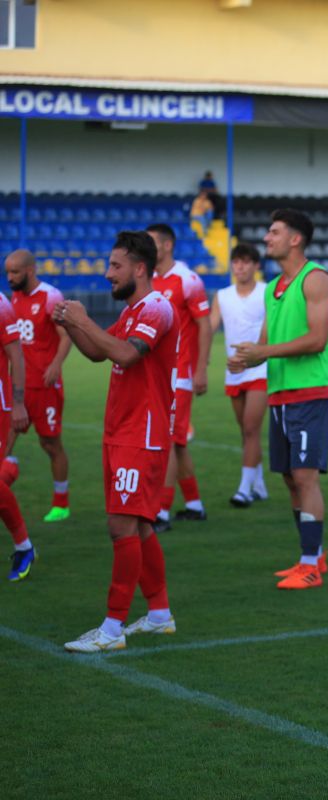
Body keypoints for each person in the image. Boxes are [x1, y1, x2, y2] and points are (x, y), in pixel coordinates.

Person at [57, 231, 179, 652]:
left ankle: (111, 631)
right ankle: (160, 614)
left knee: (121, 525)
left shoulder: (156, 308)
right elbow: (98, 352)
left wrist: (82, 319)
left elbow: (127, 354)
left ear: (140, 268)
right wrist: (72, 324)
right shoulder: (132, 311)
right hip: (122, 430)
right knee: (139, 524)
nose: (108, 274)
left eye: (115, 266)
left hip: (141, 433)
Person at [230, 209, 328, 589]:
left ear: (295, 239)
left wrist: (264, 353)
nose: (267, 238)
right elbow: (265, 342)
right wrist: (245, 356)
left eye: (274, 232)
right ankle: (313, 555)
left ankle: (309, 566)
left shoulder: (316, 280)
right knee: (290, 478)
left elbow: (317, 339)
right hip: (280, 393)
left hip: (309, 391)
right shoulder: (276, 287)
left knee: (306, 477)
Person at [147, 224, 212, 531]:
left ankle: (160, 512)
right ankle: (195, 505)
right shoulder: (148, 279)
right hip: (158, 375)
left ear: (168, 245)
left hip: (180, 375)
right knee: (179, 443)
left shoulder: (187, 280)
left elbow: (204, 325)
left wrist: (200, 369)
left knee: (169, 441)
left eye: (152, 243)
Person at [5, 249, 72, 520]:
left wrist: (56, 364)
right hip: (17, 387)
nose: (9, 277)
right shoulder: (14, 297)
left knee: (51, 445)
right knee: (4, 443)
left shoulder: (50, 296)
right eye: (7, 272)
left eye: (15, 272)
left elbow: (65, 334)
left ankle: (61, 503)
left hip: (45, 387)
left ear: (30, 271)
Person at [210, 243, 269, 507]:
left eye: (246, 262)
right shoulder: (222, 296)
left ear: (256, 266)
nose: (240, 267)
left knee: (251, 427)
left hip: (260, 368)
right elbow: (209, 327)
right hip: (233, 370)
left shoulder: (267, 293)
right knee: (245, 432)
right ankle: (259, 484)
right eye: (236, 262)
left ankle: (244, 489)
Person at [0, 292, 33, 580]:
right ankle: (8, 469)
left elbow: (16, 356)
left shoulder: (1, 305)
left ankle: (24, 547)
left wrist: (19, 403)